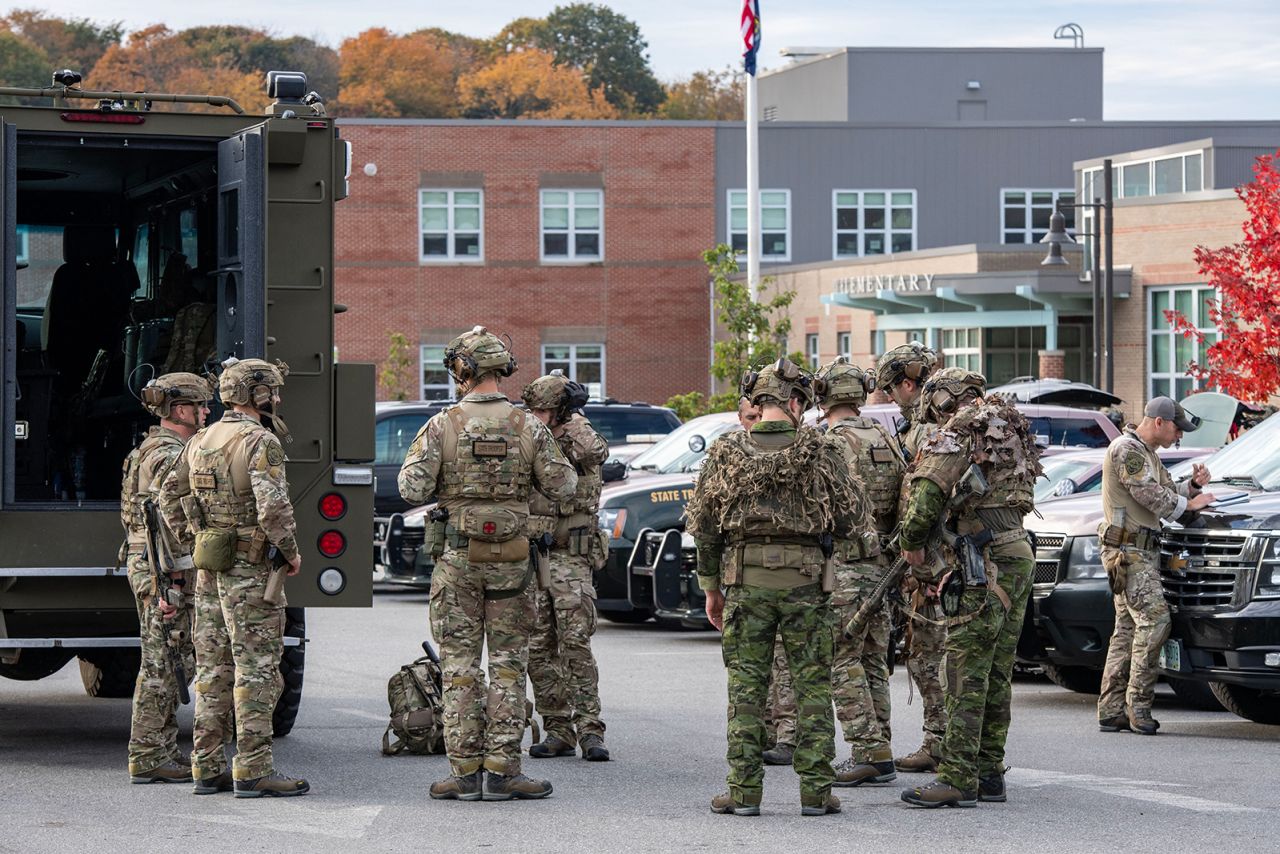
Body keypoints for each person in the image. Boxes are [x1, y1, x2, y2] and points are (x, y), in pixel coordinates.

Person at [398, 327, 576, 802]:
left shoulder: (442, 425)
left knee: (459, 665)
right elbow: (563, 486)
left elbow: (412, 489)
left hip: (457, 560)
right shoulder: (529, 427)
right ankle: (502, 770)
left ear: (462, 370)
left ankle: (463, 773)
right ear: (503, 370)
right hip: (513, 563)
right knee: (509, 665)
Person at [686, 358, 868, 817]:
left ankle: (744, 793)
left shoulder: (728, 452)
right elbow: (850, 521)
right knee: (811, 687)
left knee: (746, 690)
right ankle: (816, 793)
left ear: (758, 402)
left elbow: (705, 528)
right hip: (808, 585)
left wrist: (711, 587)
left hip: (745, 584)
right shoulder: (822, 451)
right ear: (792, 402)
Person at [159, 357, 306, 797]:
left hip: (210, 571)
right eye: (272, 392)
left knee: (213, 669)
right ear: (256, 394)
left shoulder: (202, 438)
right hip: (252, 571)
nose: (277, 399)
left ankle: (206, 767)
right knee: (257, 669)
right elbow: (273, 508)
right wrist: (292, 553)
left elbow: (169, 495)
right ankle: (253, 769)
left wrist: (195, 537)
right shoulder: (260, 441)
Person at [897, 369, 1042, 808]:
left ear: (942, 401)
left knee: (962, 669)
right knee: (997, 670)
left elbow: (926, 492)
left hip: (985, 565)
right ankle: (989, 772)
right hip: (1017, 555)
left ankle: (958, 776)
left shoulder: (962, 429)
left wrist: (911, 546)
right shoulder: (1009, 428)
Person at [1096, 397, 1213, 735]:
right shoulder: (1128, 450)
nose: (1180, 435)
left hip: (1135, 551)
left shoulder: (1147, 454)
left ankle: (1111, 709)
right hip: (1129, 552)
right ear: (1159, 422)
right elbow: (1149, 495)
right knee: (1156, 621)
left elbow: (1165, 489)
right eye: (1177, 428)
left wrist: (1191, 487)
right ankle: (1139, 707)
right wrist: (1189, 505)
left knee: (1128, 629)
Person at [815, 357, 905, 787]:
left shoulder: (830, 442)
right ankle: (880, 744)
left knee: (840, 657)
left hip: (846, 565)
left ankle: (869, 749)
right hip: (883, 565)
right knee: (872, 657)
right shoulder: (884, 436)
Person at [122, 372, 211, 784]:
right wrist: (171, 581)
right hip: (163, 568)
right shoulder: (168, 454)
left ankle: (157, 748)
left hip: (157, 565)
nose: (207, 412)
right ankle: (148, 754)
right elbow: (165, 520)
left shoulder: (154, 447)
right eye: (201, 406)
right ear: (180, 410)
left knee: (170, 656)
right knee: (165, 660)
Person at [523, 371, 612, 762]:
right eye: (534, 409)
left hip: (570, 555)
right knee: (539, 646)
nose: (538, 416)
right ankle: (557, 727)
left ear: (560, 410)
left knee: (575, 642)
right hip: (536, 553)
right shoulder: (530, 435)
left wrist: (570, 419)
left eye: (545, 409)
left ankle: (590, 729)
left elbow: (596, 452)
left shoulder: (578, 436)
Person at [874, 342, 946, 773]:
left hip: (931, 563)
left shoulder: (927, 430)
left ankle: (940, 741)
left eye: (890, 389)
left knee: (929, 656)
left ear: (906, 383)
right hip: (931, 562)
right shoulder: (938, 423)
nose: (889, 397)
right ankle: (944, 740)